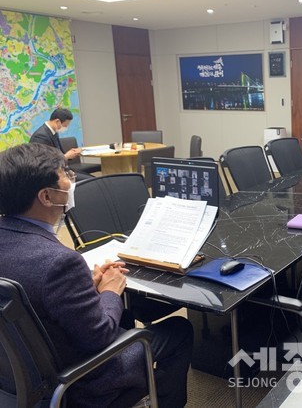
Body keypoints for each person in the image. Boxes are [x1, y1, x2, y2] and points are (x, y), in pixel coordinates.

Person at [0, 143, 193, 408]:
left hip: (16, 379)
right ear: (46, 196)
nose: (71, 180)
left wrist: (83, 286)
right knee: (179, 329)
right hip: (77, 382)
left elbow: (31, 292)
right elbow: (99, 337)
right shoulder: (60, 263)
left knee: (125, 315)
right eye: (65, 174)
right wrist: (110, 290)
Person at [29, 108, 91, 180]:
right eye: (65, 125)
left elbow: (59, 153)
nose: (66, 128)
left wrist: (71, 154)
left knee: (91, 178)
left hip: (61, 170)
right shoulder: (40, 136)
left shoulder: (53, 132)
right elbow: (44, 163)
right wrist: (66, 156)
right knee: (90, 181)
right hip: (49, 176)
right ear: (57, 121)